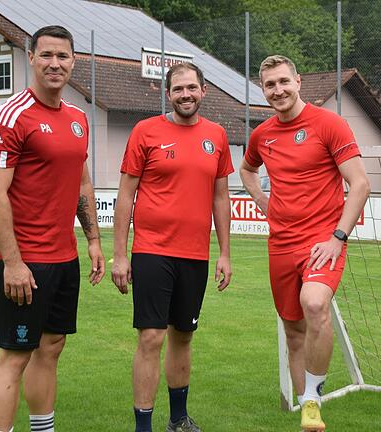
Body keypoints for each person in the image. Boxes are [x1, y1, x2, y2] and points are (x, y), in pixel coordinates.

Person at [0, 25, 105, 432]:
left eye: (63, 56)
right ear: (30, 57)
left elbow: (82, 181)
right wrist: (13, 264)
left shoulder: (78, 118)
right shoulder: (10, 115)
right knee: (14, 356)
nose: (55, 64)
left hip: (64, 257)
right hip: (24, 262)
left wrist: (92, 240)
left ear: (74, 62)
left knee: (51, 347)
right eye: (47, 55)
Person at [239, 55, 371, 432]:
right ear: (263, 90)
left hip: (322, 242)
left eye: (283, 81)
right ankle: (308, 411)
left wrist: (337, 238)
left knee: (314, 304)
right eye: (269, 85)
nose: (278, 90)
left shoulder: (329, 123)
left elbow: (360, 185)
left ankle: (312, 394)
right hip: (280, 244)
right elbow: (247, 169)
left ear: (298, 81)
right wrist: (263, 202)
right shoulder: (262, 134)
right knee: (293, 330)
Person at [111, 62, 233, 432]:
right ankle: (143, 427)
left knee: (184, 335)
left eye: (192, 88)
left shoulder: (217, 135)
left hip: (195, 254)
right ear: (169, 94)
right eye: (178, 89)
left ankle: (178, 420)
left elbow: (221, 197)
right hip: (152, 251)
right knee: (151, 337)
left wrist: (225, 252)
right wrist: (120, 254)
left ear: (203, 90)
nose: (186, 95)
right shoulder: (146, 131)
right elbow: (126, 194)